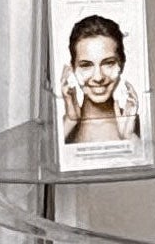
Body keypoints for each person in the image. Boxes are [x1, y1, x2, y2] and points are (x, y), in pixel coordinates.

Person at [58, 13, 144, 148]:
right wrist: (69, 122)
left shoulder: (139, 126)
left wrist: (129, 137)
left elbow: (148, 167)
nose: (98, 77)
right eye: (86, 65)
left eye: (108, 63)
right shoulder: (60, 128)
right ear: (73, 68)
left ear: (121, 64)